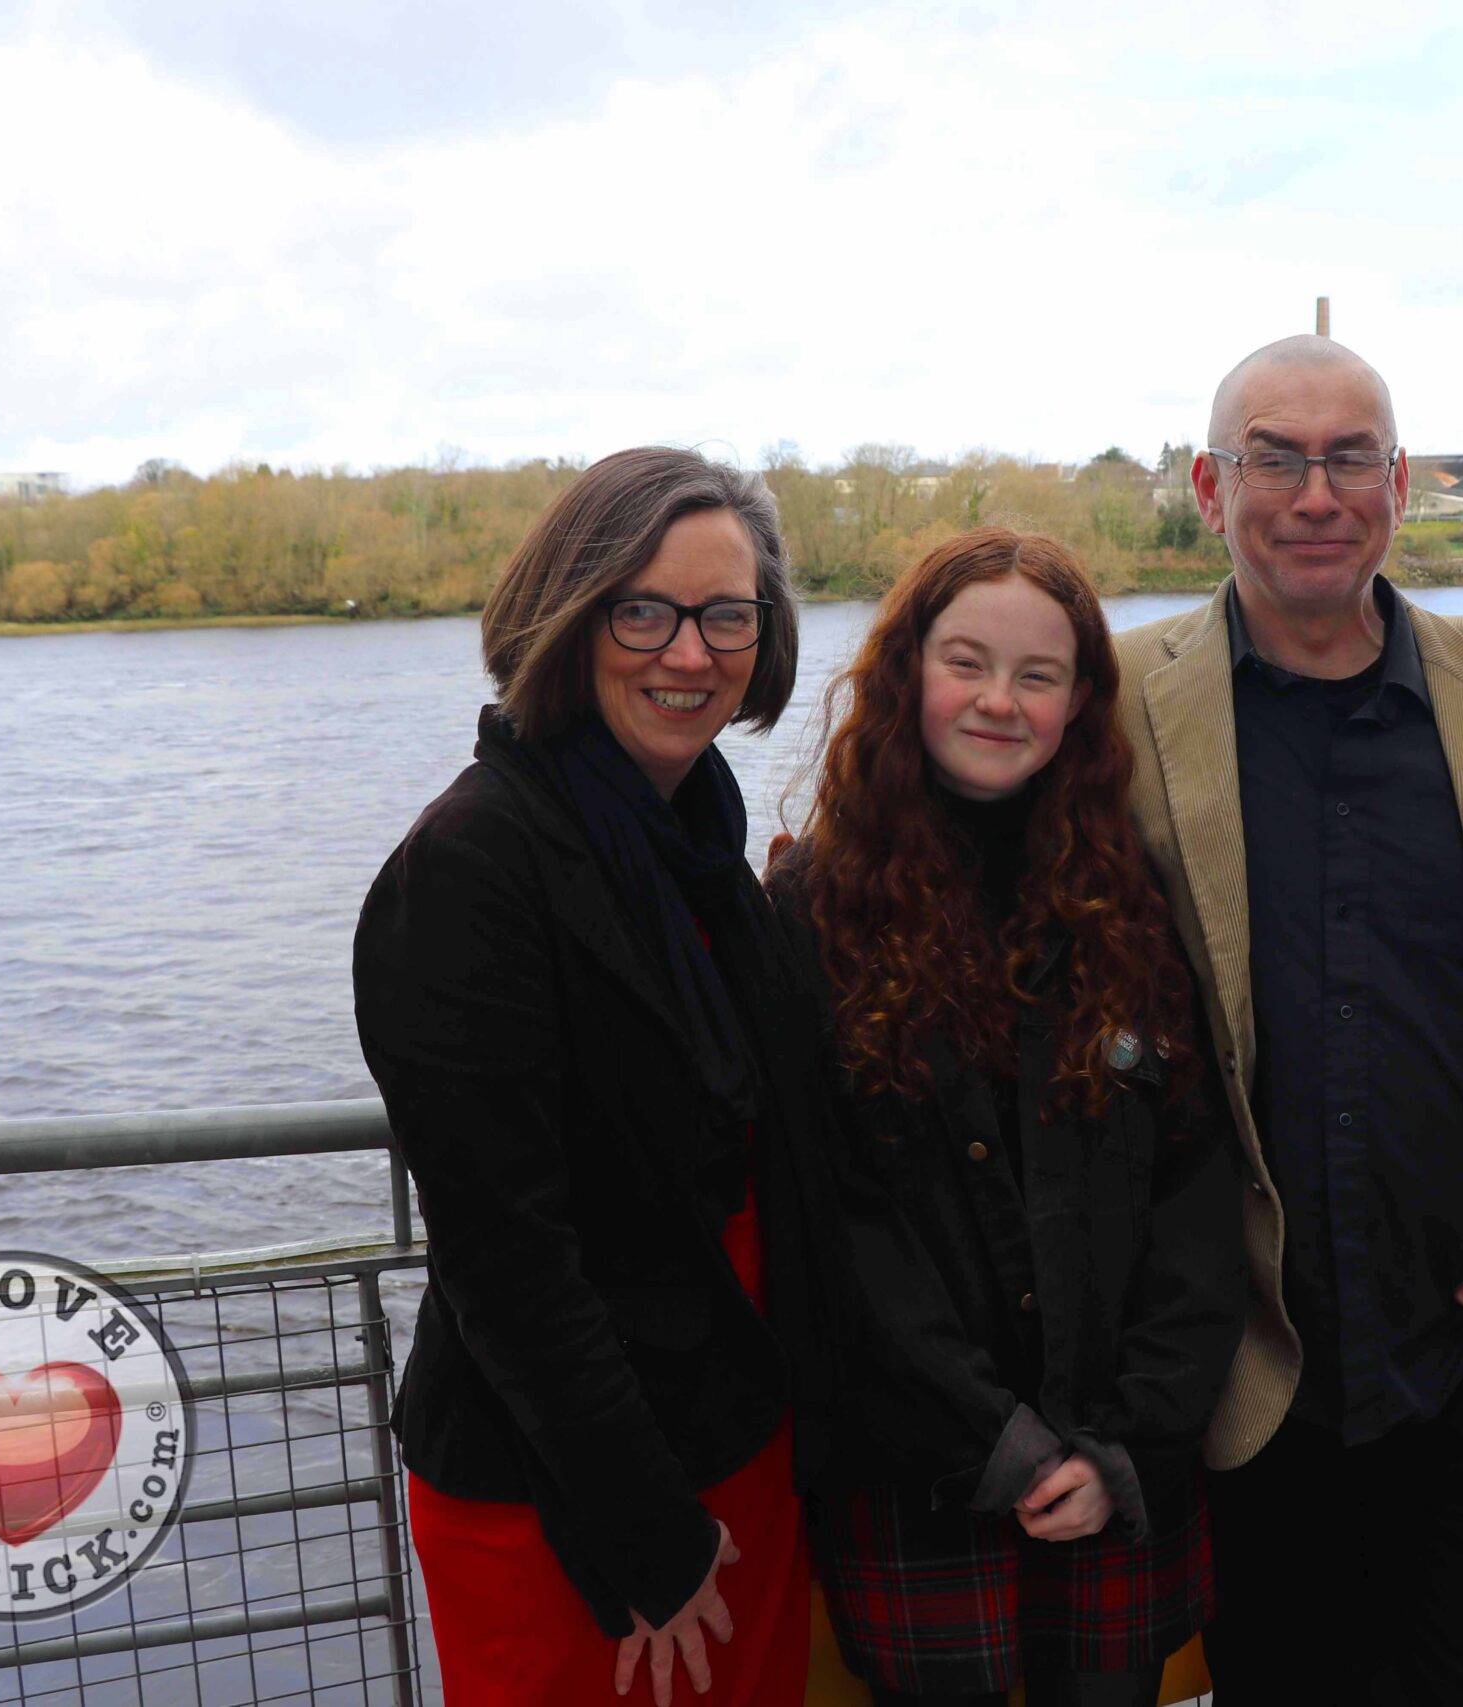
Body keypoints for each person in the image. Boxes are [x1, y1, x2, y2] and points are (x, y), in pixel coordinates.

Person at [1112, 338, 1463, 1704]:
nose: (1316, 492)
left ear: (1400, 483)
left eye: (1350, 456)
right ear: (1208, 483)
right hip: (1248, 1373)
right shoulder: (1115, 705)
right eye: (1275, 455)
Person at [353, 447, 836, 1707]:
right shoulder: (469, 870)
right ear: (568, 616)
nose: (690, 653)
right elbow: (505, 1255)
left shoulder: (704, 844)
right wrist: (646, 1538)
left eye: (727, 614)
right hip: (573, 1497)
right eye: (644, 610)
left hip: (738, 1436)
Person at [767, 527, 1245, 1707]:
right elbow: (836, 1220)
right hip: (919, 1471)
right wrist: (995, 1438)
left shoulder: (1128, 901)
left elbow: (1196, 1189)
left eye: (1037, 676)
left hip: (1116, 1461)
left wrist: (1122, 1440)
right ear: (905, 674)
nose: (998, 700)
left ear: (1081, 702)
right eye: (964, 662)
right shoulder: (810, 910)